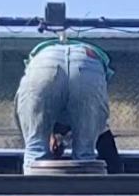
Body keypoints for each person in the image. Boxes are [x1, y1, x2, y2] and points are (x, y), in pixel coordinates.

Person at [15, 36, 112, 172]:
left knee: (35, 149)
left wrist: (50, 135)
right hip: (88, 60)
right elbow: (102, 132)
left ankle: (38, 191)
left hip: (44, 60)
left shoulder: (54, 120)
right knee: (85, 154)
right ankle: (84, 191)